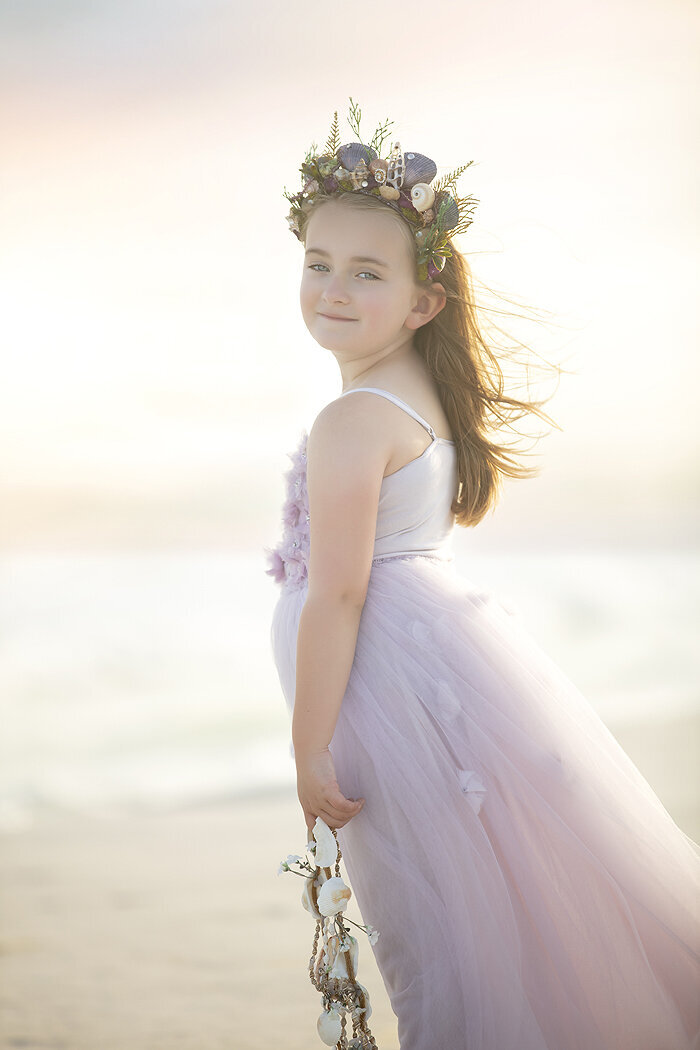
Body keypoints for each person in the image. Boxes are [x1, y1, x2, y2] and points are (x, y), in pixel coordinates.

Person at [264, 104, 700, 1050]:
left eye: (367, 273)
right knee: (484, 905)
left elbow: (339, 593)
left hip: (386, 691)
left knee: (429, 929)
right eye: (318, 263)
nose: (332, 290)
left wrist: (307, 750)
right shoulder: (411, 392)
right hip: (437, 666)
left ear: (424, 302)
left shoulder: (353, 420)